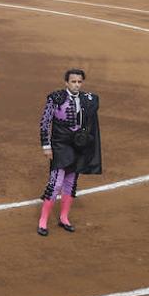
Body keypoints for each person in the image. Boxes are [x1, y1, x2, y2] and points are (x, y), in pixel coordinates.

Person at [37, 68, 102, 236]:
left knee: (71, 182)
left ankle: (64, 218)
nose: (77, 85)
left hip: (77, 145)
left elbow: (91, 122)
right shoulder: (56, 97)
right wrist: (46, 145)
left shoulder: (87, 99)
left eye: (79, 82)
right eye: (73, 82)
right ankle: (43, 221)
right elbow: (45, 122)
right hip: (60, 144)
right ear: (66, 83)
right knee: (56, 183)